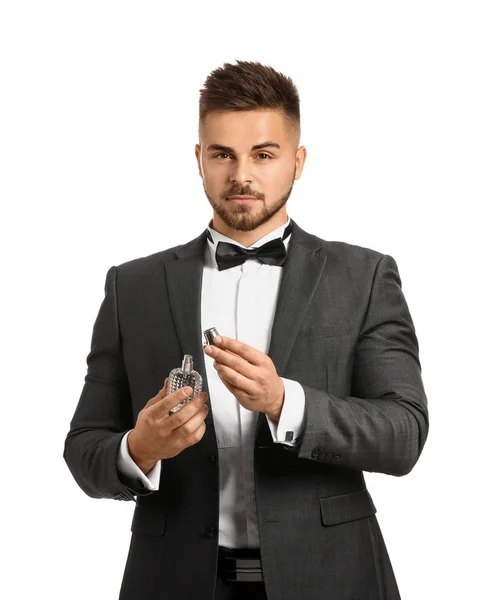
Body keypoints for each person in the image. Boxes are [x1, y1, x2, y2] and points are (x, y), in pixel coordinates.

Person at [63, 59, 429, 600]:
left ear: (297, 161)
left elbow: (404, 434)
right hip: (172, 582)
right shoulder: (131, 287)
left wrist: (287, 402)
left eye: (263, 154)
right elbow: (83, 447)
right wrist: (140, 447)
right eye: (222, 155)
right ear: (199, 159)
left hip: (333, 578)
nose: (242, 175)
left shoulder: (365, 277)